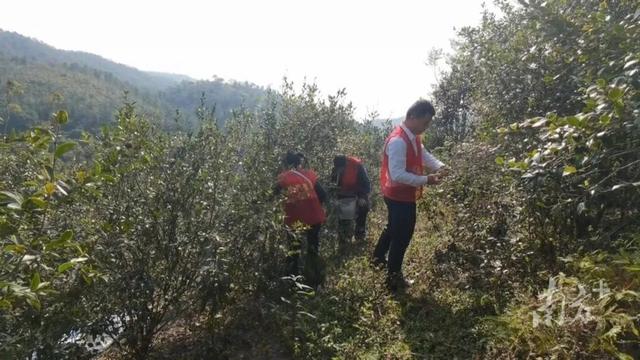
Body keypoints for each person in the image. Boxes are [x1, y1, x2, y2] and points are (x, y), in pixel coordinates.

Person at [372, 100, 448, 291]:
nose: (426, 127)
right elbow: (397, 174)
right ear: (412, 117)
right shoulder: (398, 141)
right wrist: (426, 180)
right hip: (398, 196)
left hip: (401, 194)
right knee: (402, 237)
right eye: (425, 122)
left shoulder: (413, 137)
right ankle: (393, 279)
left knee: (393, 228)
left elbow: (424, 155)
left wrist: (441, 167)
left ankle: (377, 258)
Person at [274, 151, 327, 284]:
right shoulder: (309, 175)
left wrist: (256, 202)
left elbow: (271, 194)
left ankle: (293, 279)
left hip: (294, 219)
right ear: (299, 163)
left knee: (294, 250)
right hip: (314, 216)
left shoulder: (284, 178)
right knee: (312, 247)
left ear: (286, 164)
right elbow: (323, 194)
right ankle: (313, 277)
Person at [330, 155, 371, 246]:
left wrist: (361, 197)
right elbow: (333, 185)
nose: (339, 170)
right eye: (338, 169)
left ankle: (360, 237)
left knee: (363, 207)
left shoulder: (357, 167)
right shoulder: (336, 169)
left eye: (341, 168)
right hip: (344, 196)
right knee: (344, 218)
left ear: (346, 165)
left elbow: (367, 185)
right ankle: (343, 242)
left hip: (359, 193)